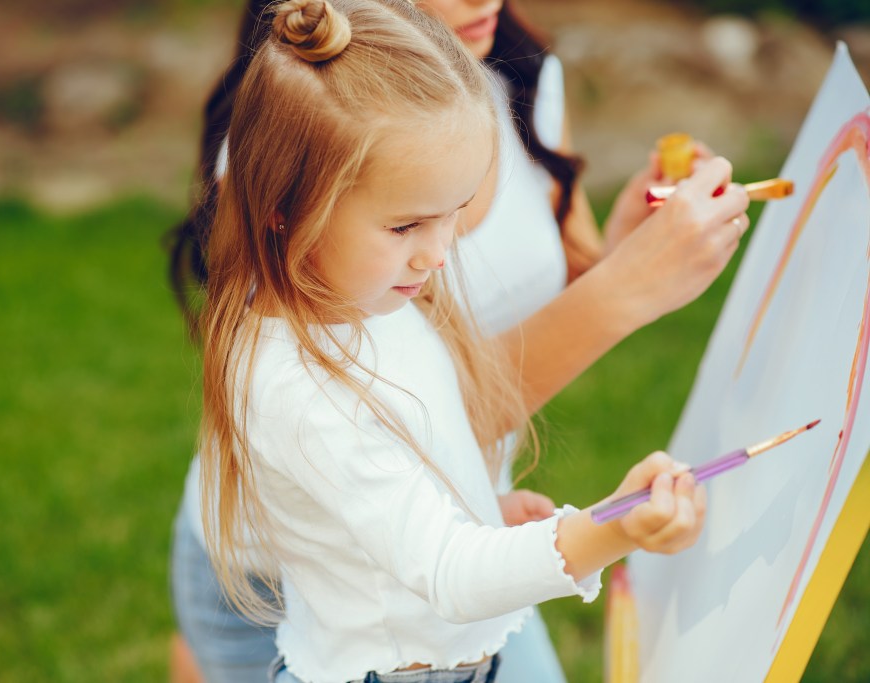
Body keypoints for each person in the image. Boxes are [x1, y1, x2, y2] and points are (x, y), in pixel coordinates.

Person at [168, 0, 750, 680]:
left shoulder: (380, 296)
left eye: (457, 214)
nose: (442, 255)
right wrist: (613, 525)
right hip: (352, 609)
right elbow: (440, 562)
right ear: (287, 208)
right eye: (407, 225)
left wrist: (478, 506)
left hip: (440, 585)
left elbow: (416, 443)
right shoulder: (305, 367)